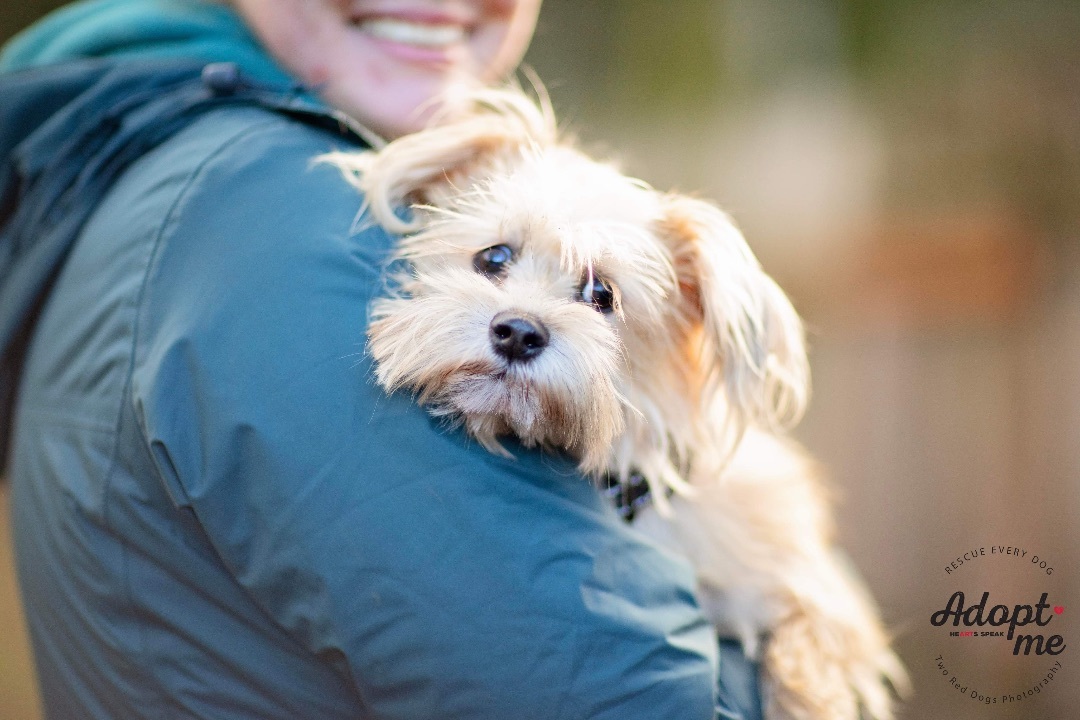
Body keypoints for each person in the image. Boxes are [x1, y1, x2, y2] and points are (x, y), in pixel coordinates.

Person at [0, 1, 764, 718]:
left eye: (599, 296)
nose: (522, 321)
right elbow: (628, 694)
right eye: (494, 259)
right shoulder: (283, 217)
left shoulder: (153, 147)